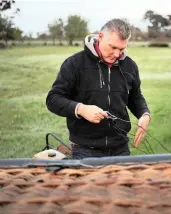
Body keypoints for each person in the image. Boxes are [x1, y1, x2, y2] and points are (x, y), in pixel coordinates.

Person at [46, 19, 151, 159]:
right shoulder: (75, 63)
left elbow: (135, 97)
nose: (117, 54)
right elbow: (53, 99)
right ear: (100, 37)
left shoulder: (130, 66)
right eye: (113, 47)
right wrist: (81, 109)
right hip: (85, 149)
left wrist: (144, 114)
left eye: (122, 49)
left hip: (120, 148)